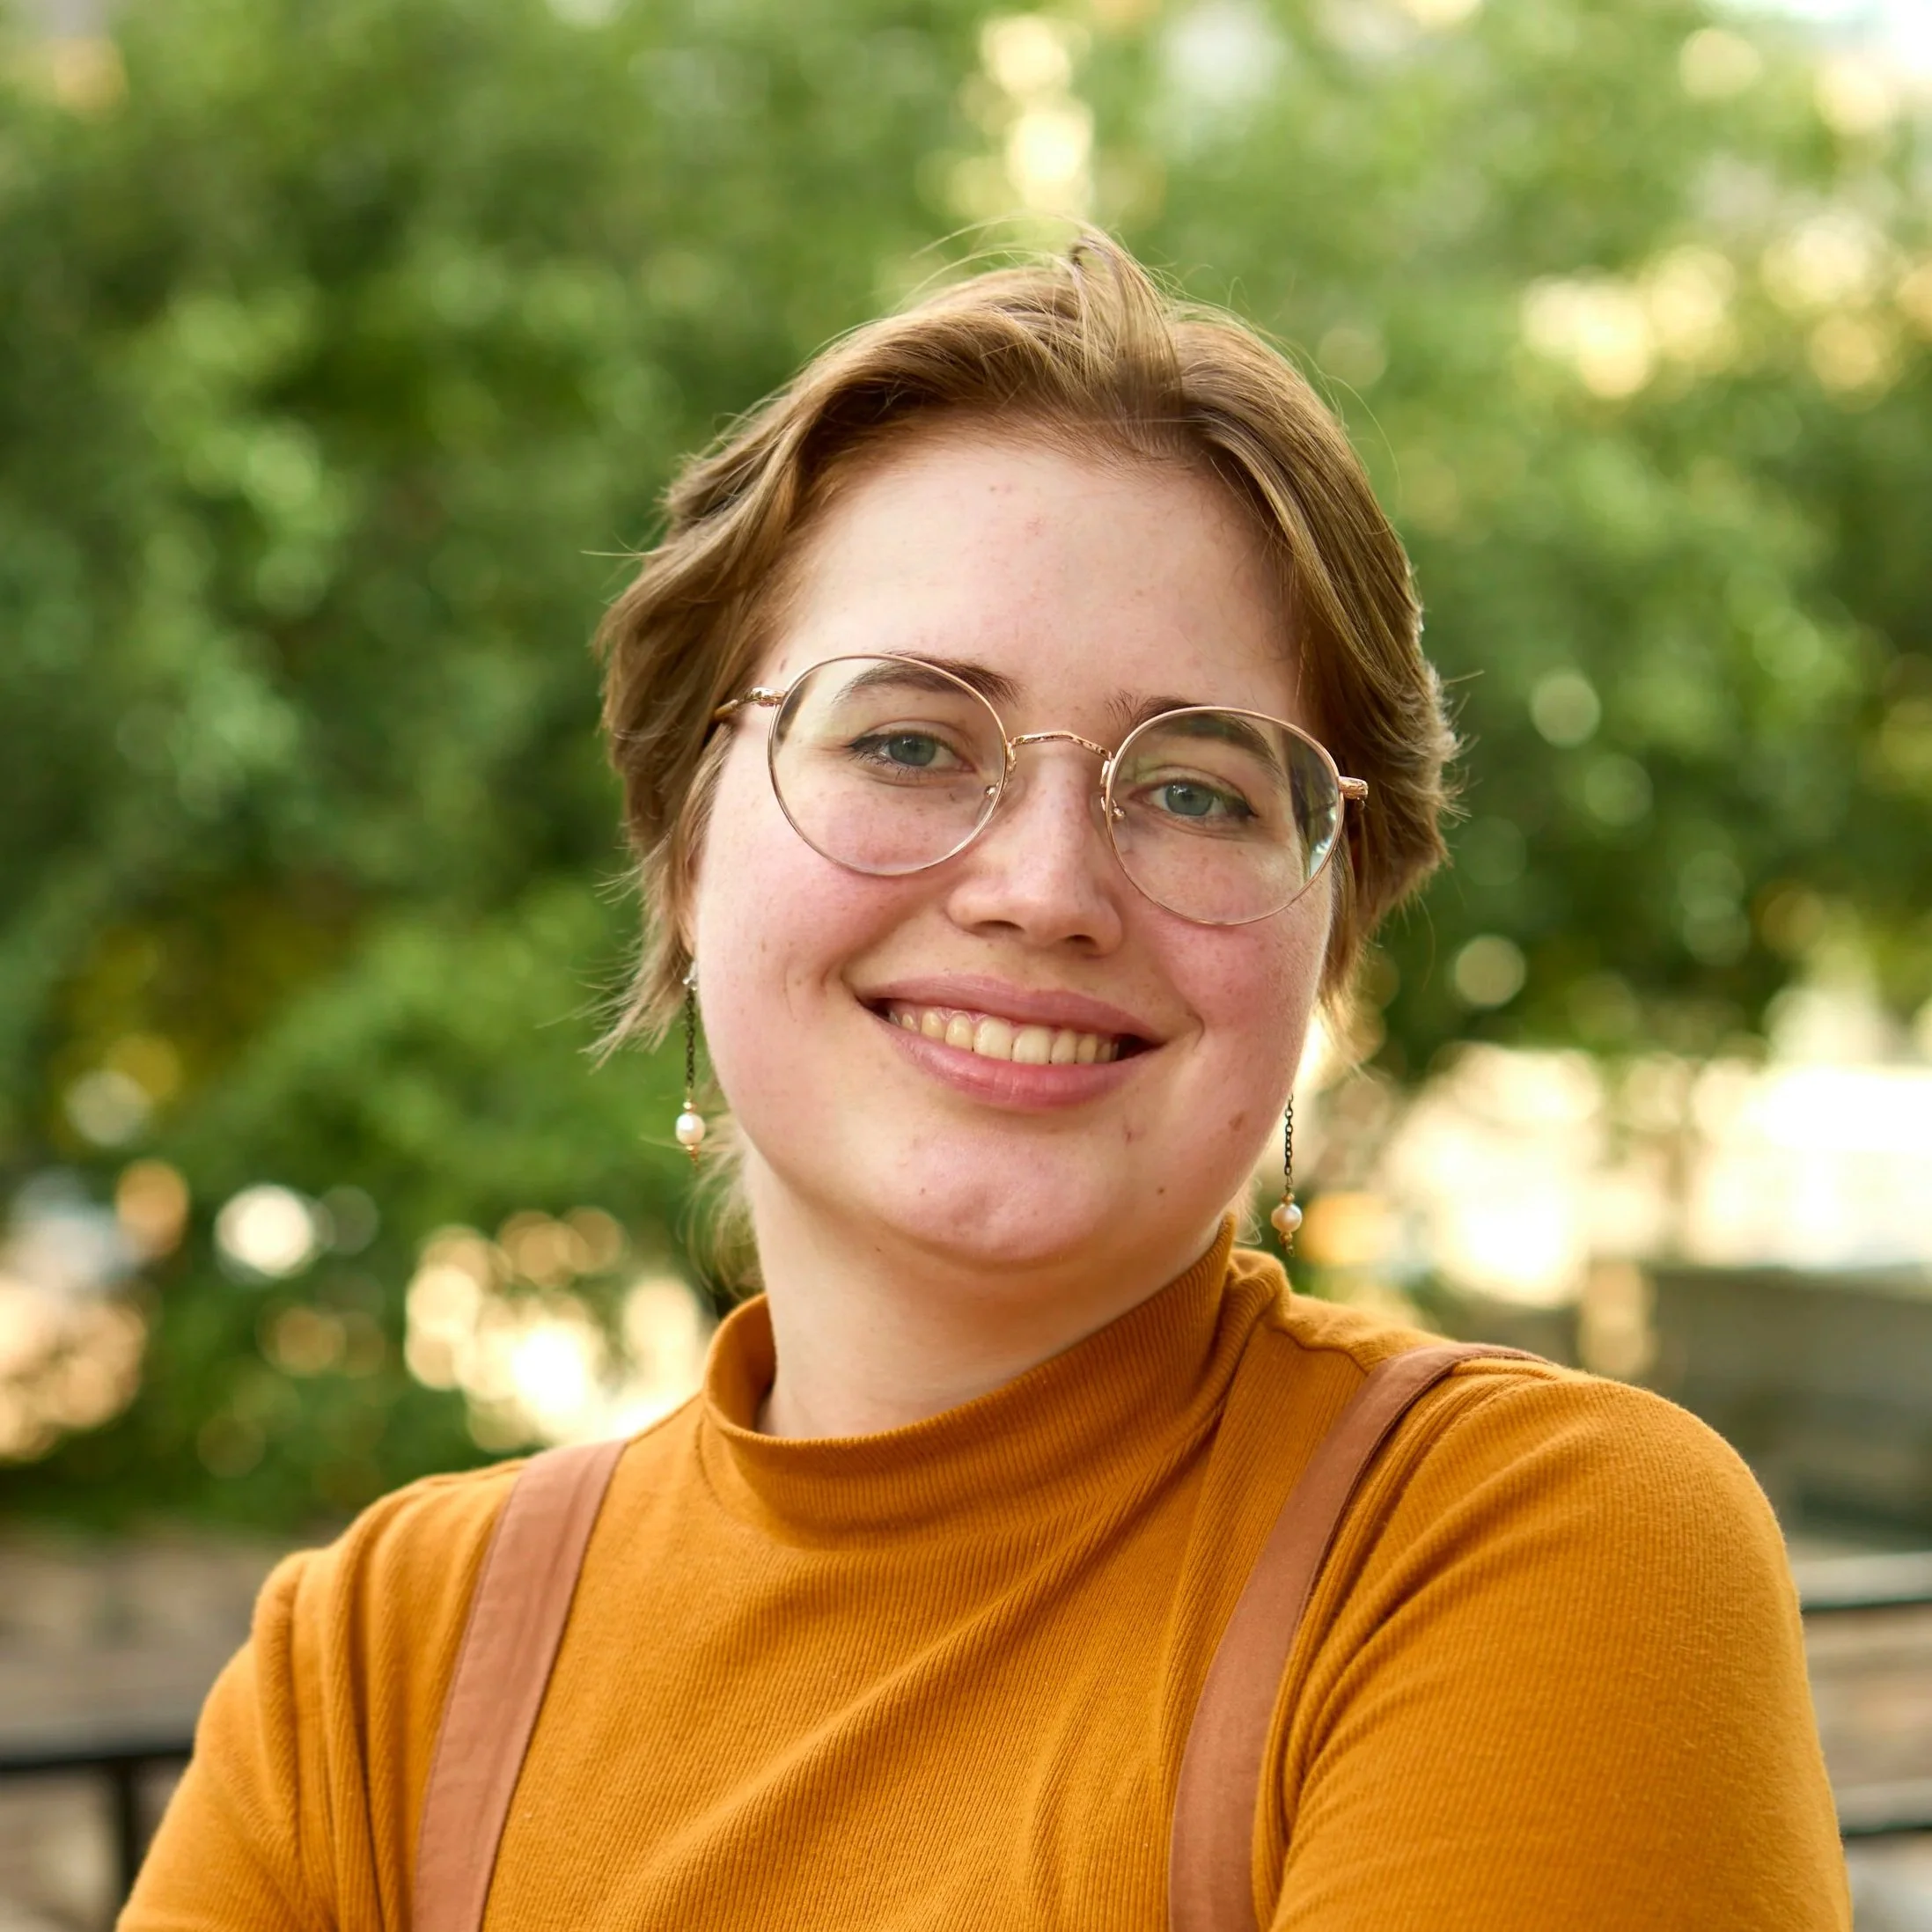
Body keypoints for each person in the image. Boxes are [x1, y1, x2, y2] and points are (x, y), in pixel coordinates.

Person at [124, 235, 1848, 1931]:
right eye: (905, 740)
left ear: (1330, 935)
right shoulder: (373, 1676)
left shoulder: (1526, 1548)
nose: (1043, 886)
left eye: (1196, 787)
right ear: (682, 849)